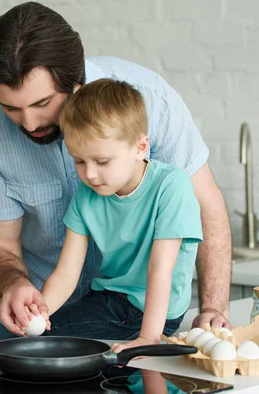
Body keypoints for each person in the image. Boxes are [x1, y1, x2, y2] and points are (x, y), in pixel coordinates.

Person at [0, 1, 232, 343]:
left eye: (42, 104)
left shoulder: (151, 100)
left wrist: (214, 310)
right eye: (11, 109)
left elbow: (206, 205)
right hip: (37, 310)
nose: (29, 124)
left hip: (141, 312)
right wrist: (19, 289)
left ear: (74, 82)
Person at [12, 79, 202, 351]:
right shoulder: (87, 193)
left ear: (140, 147)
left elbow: (161, 269)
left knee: (48, 346)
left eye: (101, 161)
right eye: (78, 160)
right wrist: (41, 312)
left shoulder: (172, 186)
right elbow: (66, 272)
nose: (89, 174)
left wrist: (148, 339)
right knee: (37, 340)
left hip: (154, 313)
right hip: (110, 299)